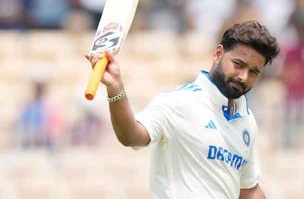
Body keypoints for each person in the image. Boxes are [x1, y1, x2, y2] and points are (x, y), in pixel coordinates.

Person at [85, 20, 280, 199]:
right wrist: (115, 88)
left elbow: (248, 189)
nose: (243, 77)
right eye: (238, 64)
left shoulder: (246, 120)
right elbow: (131, 136)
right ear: (218, 54)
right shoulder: (181, 101)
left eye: (254, 72)